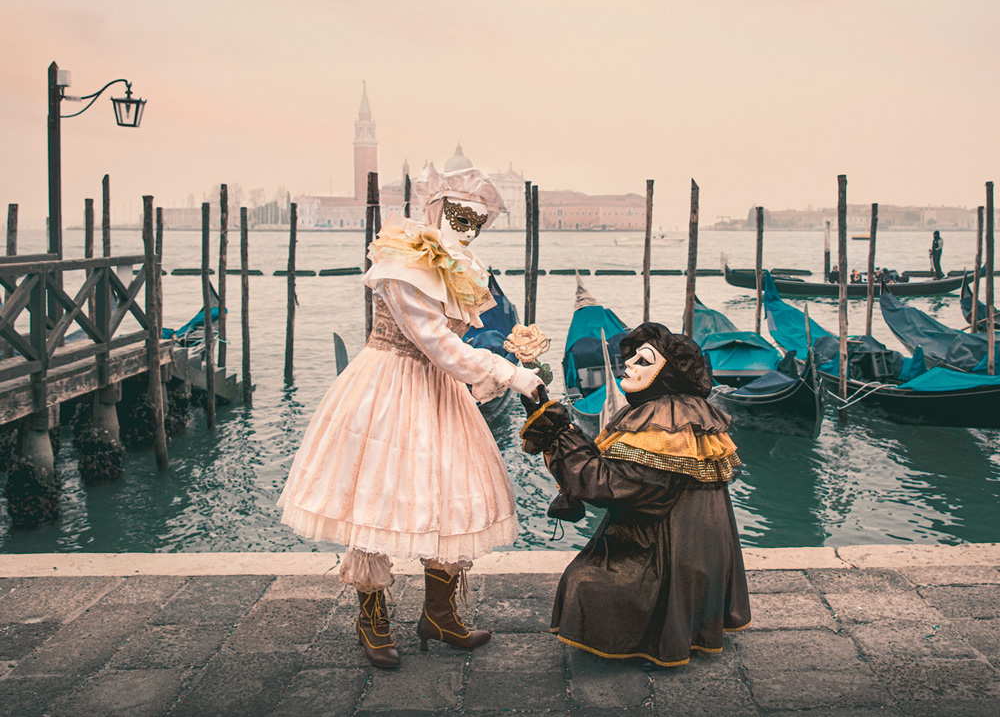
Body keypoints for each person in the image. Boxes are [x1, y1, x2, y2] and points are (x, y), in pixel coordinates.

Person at [277, 163, 544, 669]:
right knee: (375, 498)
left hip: (439, 392)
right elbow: (438, 344)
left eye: (477, 221)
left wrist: (504, 355)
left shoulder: (462, 266)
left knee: (451, 494)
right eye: (460, 215)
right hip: (388, 387)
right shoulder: (403, 262)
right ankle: (371, 616)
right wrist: (509, 374)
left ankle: (439, 616)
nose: (467, 228)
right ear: (436, 208)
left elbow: (455, 343)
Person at [519, 323, 751, 668]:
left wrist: (554, 428)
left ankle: (656, 637)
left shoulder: (666, 423)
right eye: (632, 358)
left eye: (644, 361)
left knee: (582, 582)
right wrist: (548, 412)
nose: (629, 364)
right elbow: (611, 469)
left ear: (667, 374)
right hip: (694, 547)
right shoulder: (677, 412)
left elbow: (604, 483)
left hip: (671, 551)